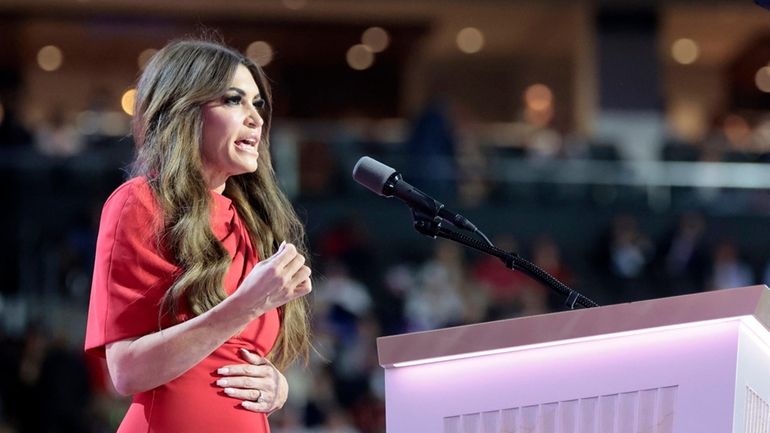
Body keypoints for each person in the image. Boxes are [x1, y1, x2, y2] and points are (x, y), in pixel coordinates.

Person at [84, 38, 313, 433]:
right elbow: (126, 373)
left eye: (257, 103)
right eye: (233, 100)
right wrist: (248, 302)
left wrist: (278, 387)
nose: (256, 118)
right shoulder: (139, 203)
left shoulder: (251, 221)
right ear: (185, 110)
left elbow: (236, 355)